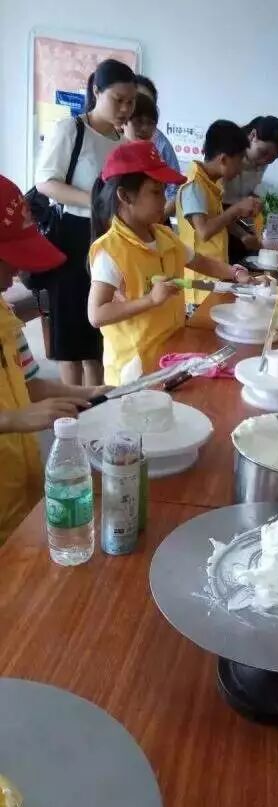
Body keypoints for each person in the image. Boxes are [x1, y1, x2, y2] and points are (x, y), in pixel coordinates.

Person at [87, 141, 251, 386]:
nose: (163, 200)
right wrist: (150, 300)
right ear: (125, 196)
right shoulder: (110, 250)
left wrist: (236, 274)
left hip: (170, 353)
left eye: (164, 191)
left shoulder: (164, 235)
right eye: (155, 192)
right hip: (134, 369)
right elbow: (97, 314)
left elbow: (200, 262)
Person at [0, 175, 107, 544]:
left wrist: (87, 393)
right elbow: (17, 412)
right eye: (8, 260)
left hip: (15, 491)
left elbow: (29, 383)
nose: (17, 272)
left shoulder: (4, 314)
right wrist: (11, 419)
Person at [35, 58, 136, 387]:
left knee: (96, 336)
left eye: (130, 102)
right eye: (118, 100)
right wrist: (95, 202)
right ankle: (72, 408)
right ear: (97, 92)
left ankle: (96, 405)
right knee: (70, 339)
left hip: (106, 239)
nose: (125, 109)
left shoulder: (122, 143)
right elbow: (45, 183)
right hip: (71, 236)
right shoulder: (72, 129)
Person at [176, 120, 260, 308]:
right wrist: (236, 209)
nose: (240, 170)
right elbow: (204, 231)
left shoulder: (211, 183)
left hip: (214, 276)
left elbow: (218, 219)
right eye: (239, 161)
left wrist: (243, 235)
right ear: (223, 159)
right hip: (199, 284)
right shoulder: (195, 186)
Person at [224, 116, 278, 262]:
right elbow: (215, 210)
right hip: (217, 224)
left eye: (272, 159)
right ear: (253, 135)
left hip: (234, 221)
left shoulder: (260, 162)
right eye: (263, 152)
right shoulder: (228, 156)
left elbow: (243, 191)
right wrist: (242, 235)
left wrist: (255, 200)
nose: (264, 161)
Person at [135, 75, 181, 219]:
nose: (144, 128)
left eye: (150, 122)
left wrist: (156, 221)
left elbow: (175, 192)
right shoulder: (114, 147)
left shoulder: (162, 145)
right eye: (136, 101)